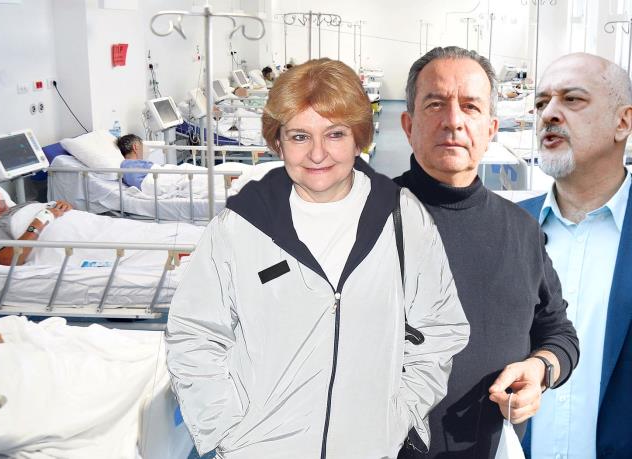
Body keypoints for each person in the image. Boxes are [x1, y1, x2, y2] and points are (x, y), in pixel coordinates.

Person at [165, 58, 469, 458]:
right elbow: (193, 334)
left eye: (335, 134)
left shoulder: (400, 218)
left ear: (359, 139)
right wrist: (226, 430)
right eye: (299, 136)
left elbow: (440, 327)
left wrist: (399, 416)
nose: (318, 153)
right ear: (278, 142)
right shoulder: (240, 228)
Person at [393, 46, 579, 458]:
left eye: (470, 106)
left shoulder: (523, 231)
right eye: (435, 104)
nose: (453, 120)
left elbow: (558, 332)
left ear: (491, 128)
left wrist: (541, 370)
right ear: (408, 124)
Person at [520, 53, 632, 458]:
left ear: (623, 122)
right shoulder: (509, 229)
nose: (549, 114)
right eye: (541, 103)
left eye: (572, 99)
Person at [0, 182, 72, 265]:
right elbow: (10, 260)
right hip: (68, 247)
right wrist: (38, 223)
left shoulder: (24, 205)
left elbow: (58, 214)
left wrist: (64, 206)